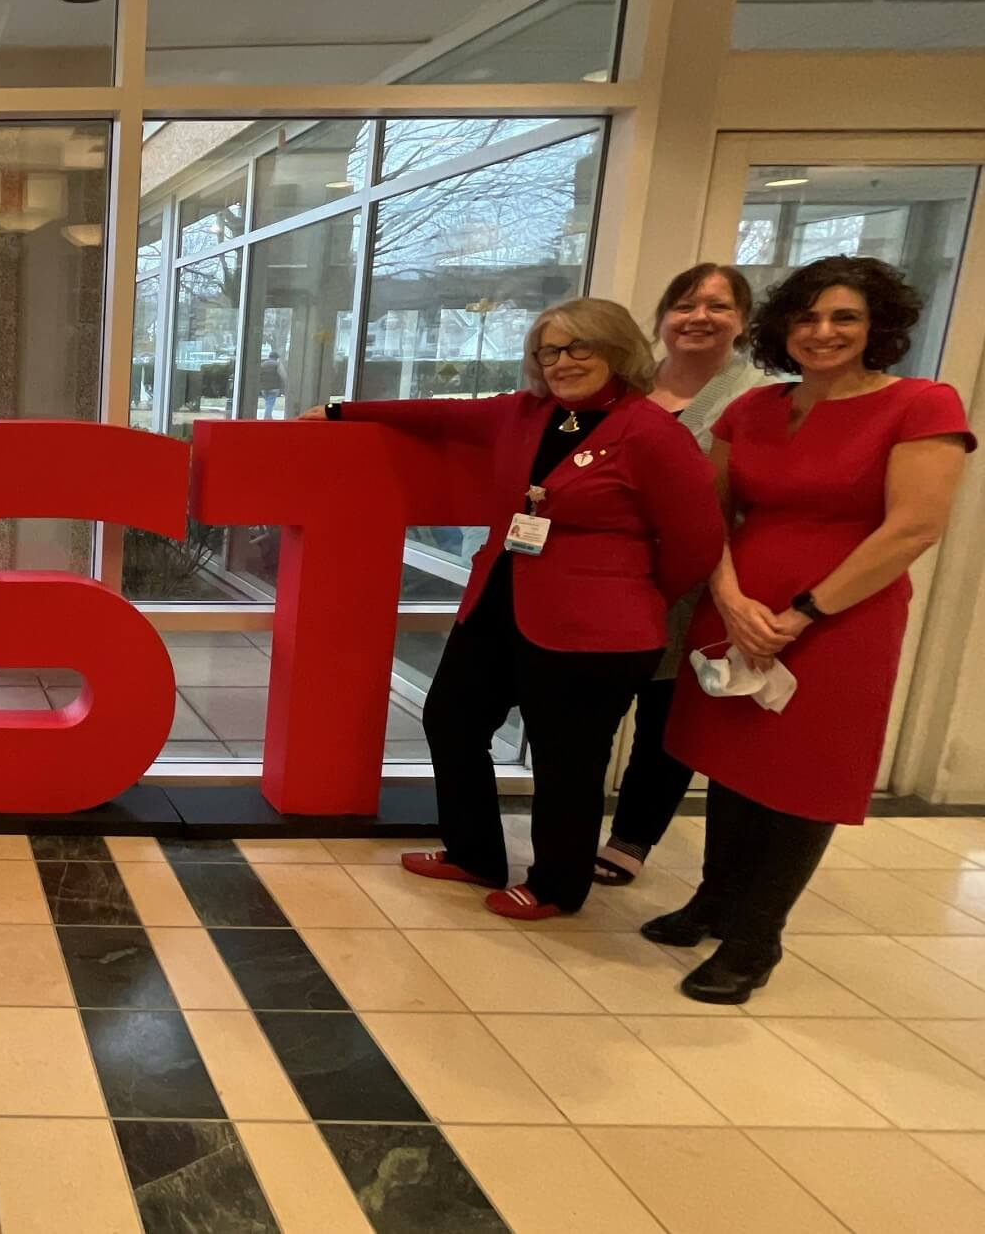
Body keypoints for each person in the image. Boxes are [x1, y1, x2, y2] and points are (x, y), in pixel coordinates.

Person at [305, 298, 724, 920]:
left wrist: (631, 594)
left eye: (579, 348)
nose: (562, 363)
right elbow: (442, 416)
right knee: (451, 720)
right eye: (548, 351)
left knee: (567, 758)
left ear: (617, 350)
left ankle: (558, 884)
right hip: (499, 600)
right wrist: (341, 411)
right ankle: (474, 853)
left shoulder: (652, 432)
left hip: (596, 628)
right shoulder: (526, 413)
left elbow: (696, 543)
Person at [650, 256, 974, 1004]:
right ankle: (714, 900)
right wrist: (730, 599)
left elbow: (914, 527)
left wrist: (804, 611)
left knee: (801, 777)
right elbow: (714, 512)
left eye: (844, 318)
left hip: (839, 621)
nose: (822, 332)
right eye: (806, 317)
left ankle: (755, 937)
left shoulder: (922, 405)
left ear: (877, 328)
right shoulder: (754, 410)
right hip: (739, 609)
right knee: (731, 762)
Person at [594, 263, 768, 885]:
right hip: (609, 581)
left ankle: (631, 839)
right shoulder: (625, 386)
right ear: (664, 317)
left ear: (743, 322)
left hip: (699, 583)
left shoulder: (761, 396)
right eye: (686, 305)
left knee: (666, 718)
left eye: (719, 307)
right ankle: (568, 830)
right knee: (590, 713)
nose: (699, 318)